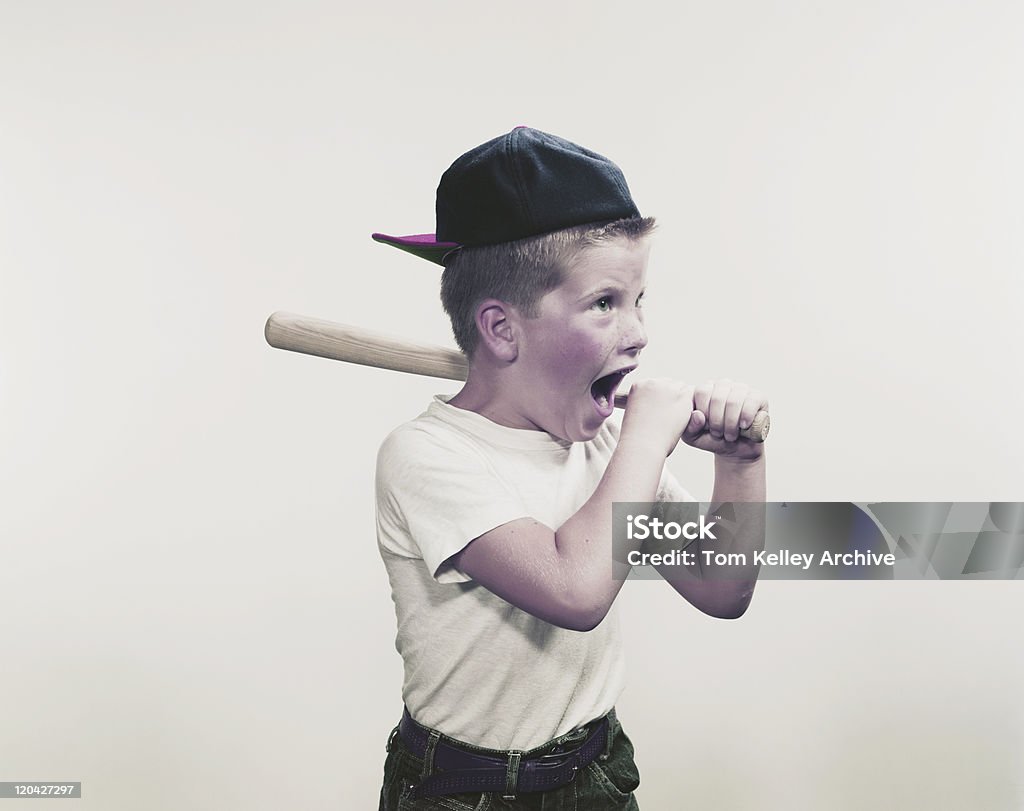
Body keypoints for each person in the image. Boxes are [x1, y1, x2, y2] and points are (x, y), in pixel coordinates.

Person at [372, 127, 768, 810]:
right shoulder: (428, 454)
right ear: (501, 330)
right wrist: (644, 435)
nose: (639, 331)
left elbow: (723, 587)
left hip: (595, 774)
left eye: (639, 299)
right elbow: (574, 589)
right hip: (465, 790)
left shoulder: (607, 445)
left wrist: (740, 462)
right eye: (606, 302)